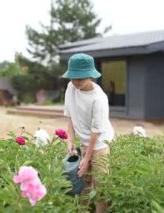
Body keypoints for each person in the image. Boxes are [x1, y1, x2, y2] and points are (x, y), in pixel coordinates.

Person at [62, 53, 114, 213]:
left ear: (90, 75)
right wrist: (70, 139)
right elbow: (70, 115)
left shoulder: (99, 99)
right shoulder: (71, 87)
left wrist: (87, 158)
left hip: (99, 144)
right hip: (84, 141)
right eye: (73, 78)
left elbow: (95, 132)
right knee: (83, 183)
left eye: (80, 78)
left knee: (101, 185)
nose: (76, 82)